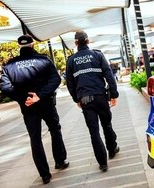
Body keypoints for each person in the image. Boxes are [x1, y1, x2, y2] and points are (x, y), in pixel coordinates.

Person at [0, 34, 69, 184]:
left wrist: (24, 98)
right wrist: (39, 95)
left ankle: (44, 174)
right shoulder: (43, 60)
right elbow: (56, 79)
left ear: (19, 46)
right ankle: (60, 161)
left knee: (35, 138)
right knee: (54, 129)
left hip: (28, 107)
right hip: (46, 103)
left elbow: (5, 87)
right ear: (32, 44)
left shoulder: (10, 65)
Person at [66, 30, 119, 172]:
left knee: (94, 132)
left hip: (85, 100)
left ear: (76, 43)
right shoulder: (97, 55)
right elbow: (109, 76)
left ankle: (103, 163)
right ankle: (112, 148)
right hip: (100, 96)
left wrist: (76, 99)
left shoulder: (71, 60)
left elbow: (70, 83)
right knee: (106, 124)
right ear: (88, 41)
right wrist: (114, 94)